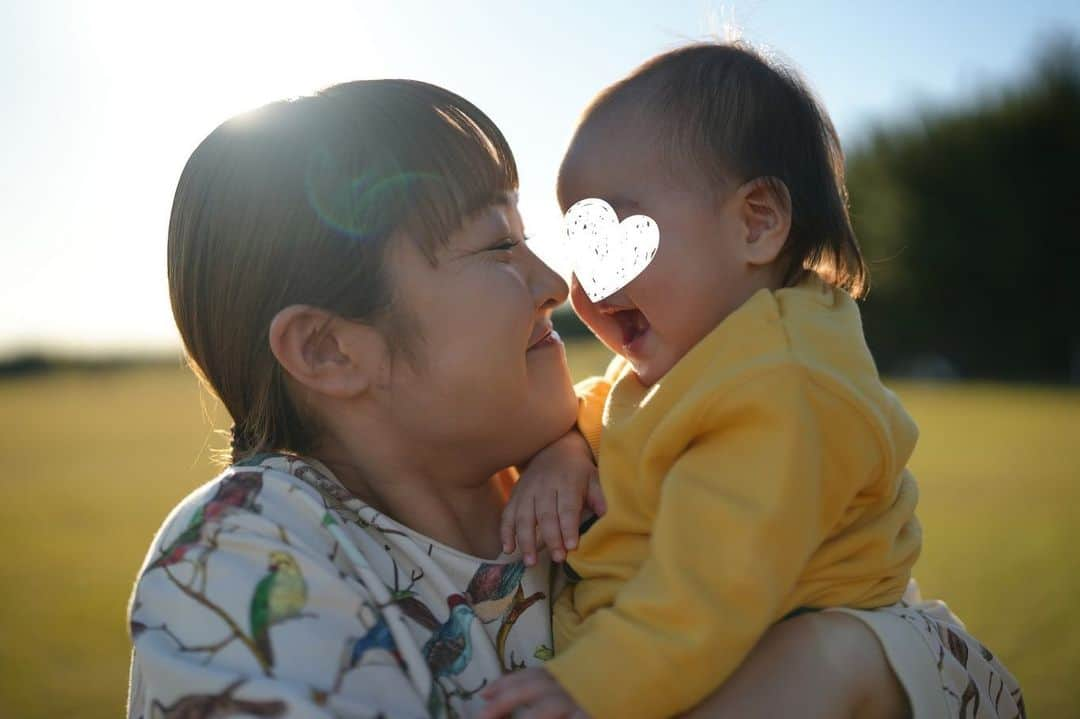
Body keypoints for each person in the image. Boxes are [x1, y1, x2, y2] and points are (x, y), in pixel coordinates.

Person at [127, 78, 1016, 719]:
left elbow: (968, 672)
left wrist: (855, 657)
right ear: (329, 348)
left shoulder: (594, 480)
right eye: (496, 246)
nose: (558, 282)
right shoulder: (245, 558)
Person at [485, 43, 1025, 719]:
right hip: (691, 656)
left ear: (757, 223)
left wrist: (589, 681)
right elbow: (614, 411)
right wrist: (564, 450)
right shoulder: (695, 353)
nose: (588, 281)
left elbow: (714, 584)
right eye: (582, 242)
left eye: (619, 231)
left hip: (769, 653)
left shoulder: (783, 384)